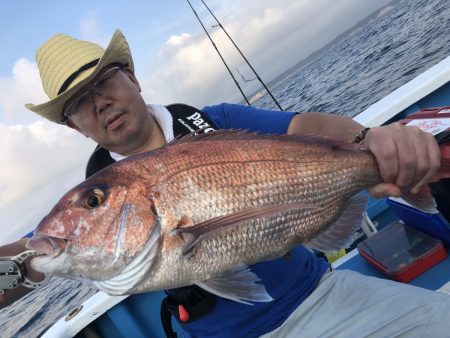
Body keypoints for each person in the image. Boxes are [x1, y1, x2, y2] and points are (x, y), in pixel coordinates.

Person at [1, 29, 449, 337]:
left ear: (132, 78)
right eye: (78, 103)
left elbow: (303, 126)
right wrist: (25, 265)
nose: (99, 103)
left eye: (103, 82)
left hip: (320, 294)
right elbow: (32, 252)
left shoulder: (218, 122)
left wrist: (370, 142)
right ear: (75, 127)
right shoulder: (89, 199)